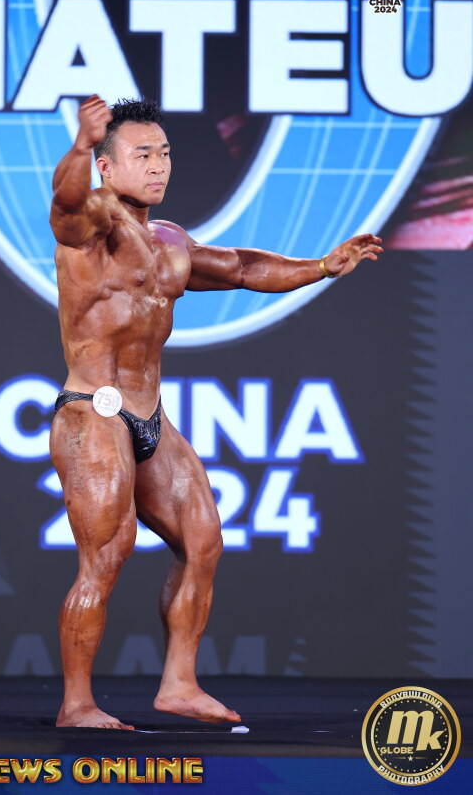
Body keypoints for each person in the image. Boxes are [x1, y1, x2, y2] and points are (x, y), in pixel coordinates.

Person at [49, 95, 383, 729]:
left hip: (149, 414)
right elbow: (64, 204)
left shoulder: (169, 242)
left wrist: (320, 266)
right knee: (107, 555)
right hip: (92, 411)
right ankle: (78, 704)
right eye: (142, 155)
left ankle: (178, 684)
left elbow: (241, 268)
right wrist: (78, 147)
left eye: (164, 153)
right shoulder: (90, 224)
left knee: (202, 540)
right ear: (107, 166)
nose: (158, 166)